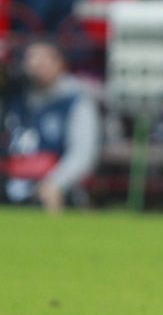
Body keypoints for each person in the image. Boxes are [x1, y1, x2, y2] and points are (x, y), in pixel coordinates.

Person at [2, 40, 100, 212]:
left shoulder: (75, 101)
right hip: (10, 182)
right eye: (31, 58)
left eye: (44, 58)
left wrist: (55, 183)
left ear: (60, 63)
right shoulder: (14, 98)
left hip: (52, 186)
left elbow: (83, 154)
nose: (36, 64)